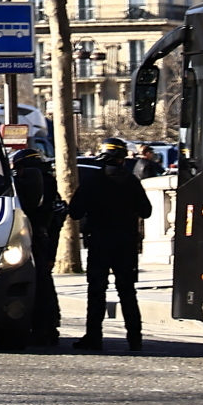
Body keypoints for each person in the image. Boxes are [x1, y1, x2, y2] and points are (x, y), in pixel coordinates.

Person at [70, 138, 152, 353]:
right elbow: (147, 211)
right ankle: (135, 339)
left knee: (96, 292)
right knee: (127, 292)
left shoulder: (92, 181)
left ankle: (94, 337)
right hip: (126, 244)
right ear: (122, 160)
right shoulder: (132, 182)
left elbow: (75, 211)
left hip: (99, 242)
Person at [11, 138, 66, 343]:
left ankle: (43, 328)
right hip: (43, 236)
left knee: (38, 284)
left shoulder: (35, 183)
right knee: (44, 284)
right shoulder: (47, 181)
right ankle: (48, 327)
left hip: (34, 236)